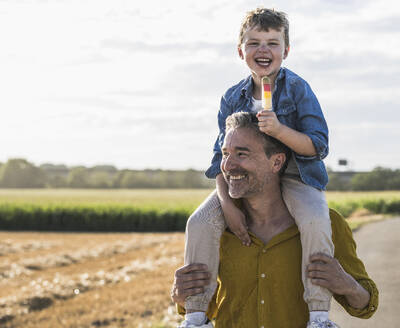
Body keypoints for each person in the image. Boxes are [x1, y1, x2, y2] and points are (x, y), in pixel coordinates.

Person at [180, 7, 335, 328]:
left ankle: (319, 315)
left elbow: (318, 146)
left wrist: (279, 131)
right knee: (199, 223)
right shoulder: (231, 97)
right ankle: (195, 315)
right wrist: (228, 205)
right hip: (242, 182)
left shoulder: (297, 89)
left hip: (295, 176)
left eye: (272, 43)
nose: (263, 50)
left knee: (316, 219)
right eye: (254, 43)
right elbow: (220, 161)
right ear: (241, 51)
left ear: (286, 51)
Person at [172, 112, 378, 328]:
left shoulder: (325, 223)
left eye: (242, 154)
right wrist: (180, 296)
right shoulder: (213, 228)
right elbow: (206, 307)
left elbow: (366, 305)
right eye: (225, 154)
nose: (227, 165)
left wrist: (347, 285)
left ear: (277, 161)